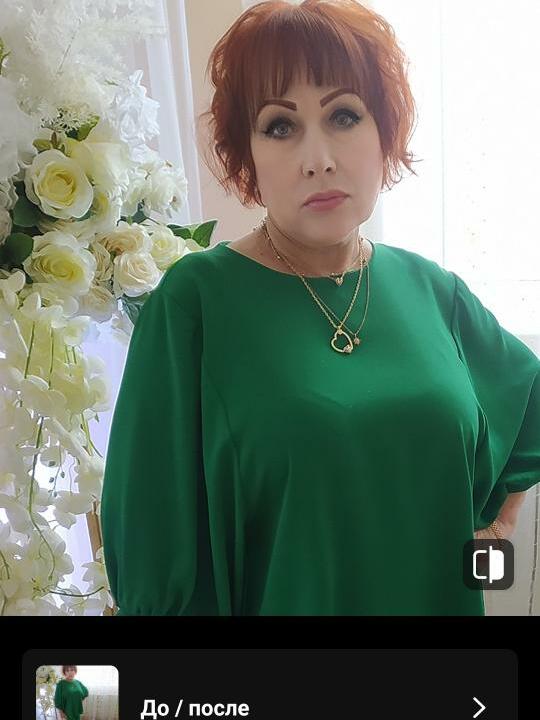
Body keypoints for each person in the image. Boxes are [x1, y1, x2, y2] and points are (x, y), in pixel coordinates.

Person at [100, 0, 540, 615]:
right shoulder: (195, 301)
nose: (319, 158)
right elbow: (150, 539)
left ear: (384, 132)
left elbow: (527, 407)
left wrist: (497, 529)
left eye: (344, 115)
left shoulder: (434, 291)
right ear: (246, 153)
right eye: (280, 126)